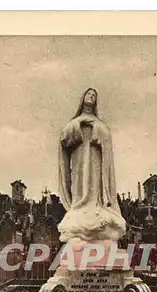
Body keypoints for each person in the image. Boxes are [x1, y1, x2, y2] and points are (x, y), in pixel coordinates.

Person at [58, 88, 126, 243]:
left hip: (95, 159)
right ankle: (80, 206)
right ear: (83, 98)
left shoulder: (99, 124)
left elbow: (106, 137)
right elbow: (64, 137)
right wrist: (79, 124)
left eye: (94, 95)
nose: (91, 96)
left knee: (94, 183)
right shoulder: (74, 122)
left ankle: (95, 206)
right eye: (89, 94)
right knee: (79, 183)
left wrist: (96, 129)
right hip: (79, 158)